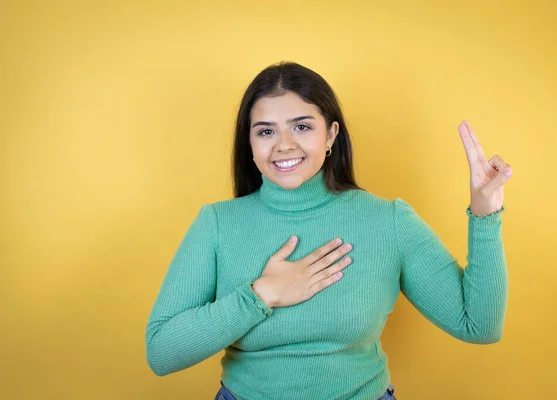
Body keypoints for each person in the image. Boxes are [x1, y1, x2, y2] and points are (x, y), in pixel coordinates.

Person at [145, 61, 511, 400]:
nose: (284, 145)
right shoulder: (217, 224)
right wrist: (262, 294)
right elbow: (161, 352)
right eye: (266, 131)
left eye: (302, 126)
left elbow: (479, 326)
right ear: (250, 142)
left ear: (331, 134)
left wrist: (485, 215)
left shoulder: (388, 221)